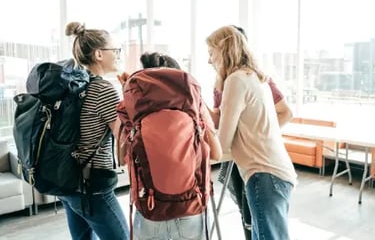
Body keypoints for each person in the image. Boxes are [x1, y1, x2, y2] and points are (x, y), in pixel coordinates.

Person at [117, 52, 222, 240]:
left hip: (150, 208)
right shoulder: (194, 104)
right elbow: (216, 153)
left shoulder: (131, 105)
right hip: (191, 206)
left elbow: (121, 158)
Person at [206, 25, 297, 240]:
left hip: (263, 173)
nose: (209, 60)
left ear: (224, 50)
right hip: (274, 172)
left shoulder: (236, 80)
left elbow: (224, 141)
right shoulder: (254, 77)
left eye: (211, 54)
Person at [60, 21, 130, 240]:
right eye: (115, 50)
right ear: (99, 54)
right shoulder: (102, 88)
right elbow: (124, 137)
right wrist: (130, 95)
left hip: (67, 179)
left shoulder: (73, 84)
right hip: (93, 185)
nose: (118, 55)